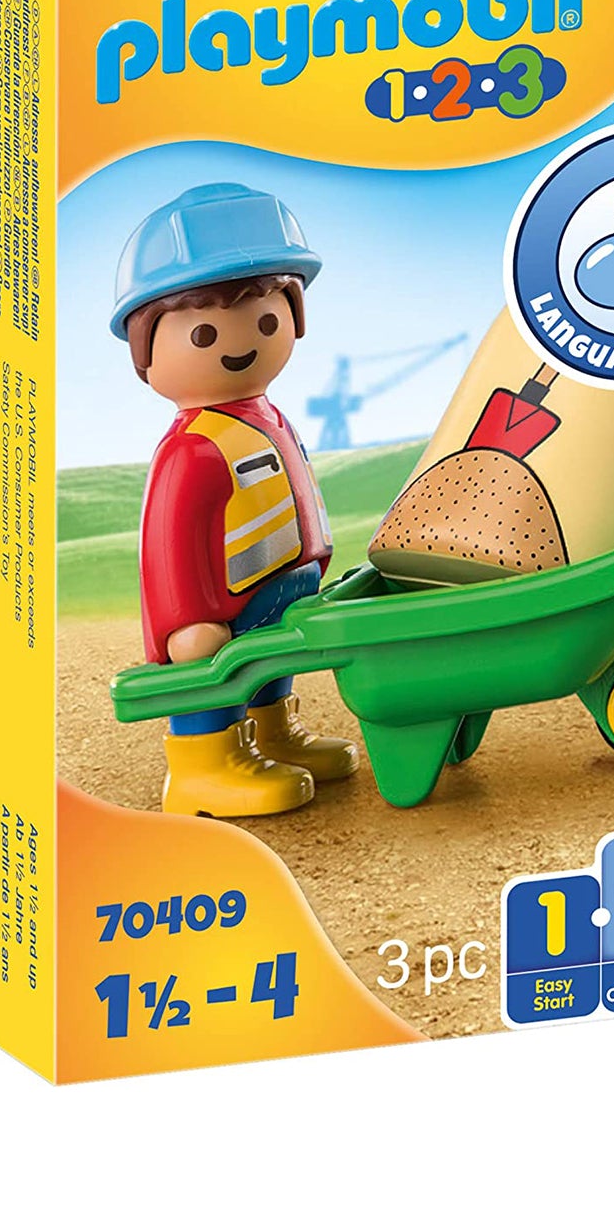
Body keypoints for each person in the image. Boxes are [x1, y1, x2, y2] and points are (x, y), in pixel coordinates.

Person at [111, 183, 359, 816]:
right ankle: (206, 763)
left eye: (267, 320)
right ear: (146, 350)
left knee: (270, 664)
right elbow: (170, 544)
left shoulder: (269, 418)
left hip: (280, 584)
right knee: (216, 675)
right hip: (222, 606)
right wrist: (185, 620)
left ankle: (273, 732)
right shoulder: (192, 448)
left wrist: (314, 563)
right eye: (203, 333)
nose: (241, 341)